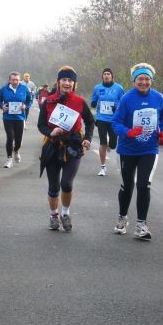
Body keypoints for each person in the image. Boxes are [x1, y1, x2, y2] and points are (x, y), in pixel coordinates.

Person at [111, 63, 163, 239]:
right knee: (127, 185)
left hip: (149, 148)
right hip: (127, 149)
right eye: (140, 79)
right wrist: (127, 132)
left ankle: (141, 225)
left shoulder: (159, 98)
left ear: (150, 80)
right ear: (134, 80)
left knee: (144, 184)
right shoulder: (127, 99)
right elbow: (116, 123)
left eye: (147, 79)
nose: (143, 82)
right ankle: (122, 218)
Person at [37, 66, 95, 231]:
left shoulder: (79, 102)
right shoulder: (48, 101)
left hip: (73, 146)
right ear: (58, 82)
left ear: (74, 84)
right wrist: (51, 131)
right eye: (64, 80)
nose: (67, 83)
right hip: (52, 146)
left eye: (70, 80)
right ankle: (53, 215)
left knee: (67, 183)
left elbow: (90, 122)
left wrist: (87, 139)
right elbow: (41, 125)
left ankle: (65, 213)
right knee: (54, 185)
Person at [90, 68, 124, 176]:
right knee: (102, 143)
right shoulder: (98, 87)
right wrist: (94, 103)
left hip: (114, 119)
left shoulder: (118, 88)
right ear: (102, 76)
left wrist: (117, 108)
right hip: (101, 119)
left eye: (108, 74)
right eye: (104, 74)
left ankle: (109, 144)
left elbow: (123, 103)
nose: (106, 76)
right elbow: (93, 100)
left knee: (113, 145)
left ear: (112, 76)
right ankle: (103, 167)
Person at [0, 72, 32, 168]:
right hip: (8, 117)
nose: (15, 81)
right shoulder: (4, 89)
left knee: (18, 139)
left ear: (19, 80)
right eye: (13, 80)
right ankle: (9, 159)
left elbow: (30, 100)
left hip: (20, 117)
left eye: (17, 80)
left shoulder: (24, 88)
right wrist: (2, 106)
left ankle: (16, 151)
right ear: (9, 80)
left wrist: (26, 106)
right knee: (10, 136)